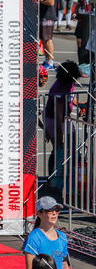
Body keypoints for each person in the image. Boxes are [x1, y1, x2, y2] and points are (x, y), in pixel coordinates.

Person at [22, 197, 74, 269]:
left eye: (57, 210)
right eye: (50, 210)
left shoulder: (62, 237)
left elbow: (64, 265)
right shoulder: (34, 237)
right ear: (39, 213)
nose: (54, 213)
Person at [44, 61, 80, 192]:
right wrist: (59, 134)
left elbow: (71, 96)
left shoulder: (70, 82)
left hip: (65, 117)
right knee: (58, 148)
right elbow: (58, 113)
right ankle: (52, 179)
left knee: (73, 145)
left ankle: (70, 175)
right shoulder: (58, 87)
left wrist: (79, 103)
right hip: (53, 118)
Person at [40, 0, 57, 70]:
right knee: (43, 39)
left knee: (48, 39)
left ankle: (50, 62)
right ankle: (47, 60)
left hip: (49, 16)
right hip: (44, 15)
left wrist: (40, 0)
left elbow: (51, 2)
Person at [73, 0, 92, 67]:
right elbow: (78, 3)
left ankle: (87, 63)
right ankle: (81, 63)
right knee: (79, 41)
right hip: (81, 19)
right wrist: (75, 12)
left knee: (86, 42)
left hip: (89, 19)